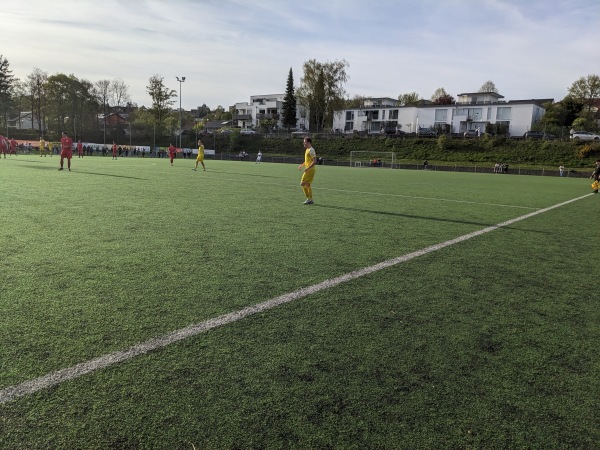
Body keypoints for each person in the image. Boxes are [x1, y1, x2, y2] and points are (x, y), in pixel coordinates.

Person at [298, 137, 317, 204]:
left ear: (309, 142)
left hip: (310, 170)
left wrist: (307, 168)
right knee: (308, 185)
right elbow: (307, 161)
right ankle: (310, 199)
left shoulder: (311, 150)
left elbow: (314, 161)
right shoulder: (307, 149)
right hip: (310, 170)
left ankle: (308, 198)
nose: (304, 143)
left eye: (305, 142)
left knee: (302, 183)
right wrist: (302, 165)